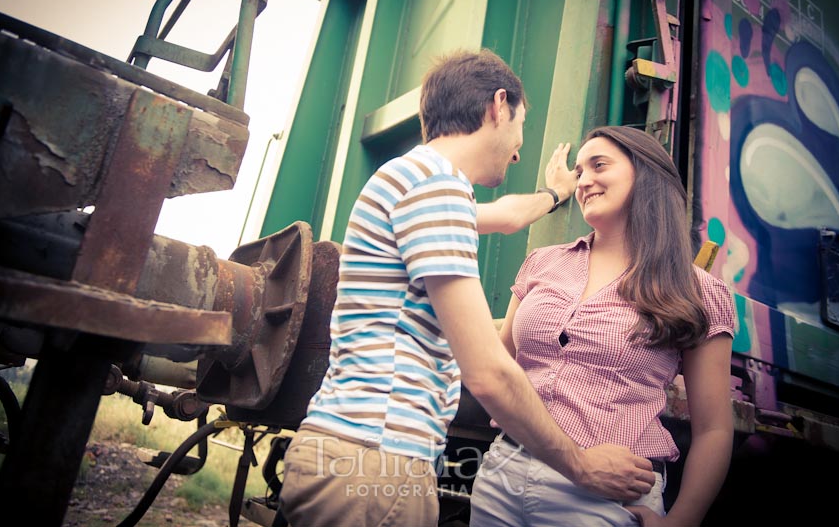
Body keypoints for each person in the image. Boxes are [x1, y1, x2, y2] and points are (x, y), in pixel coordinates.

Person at [278, 52, 656, 527]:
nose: (519, 149)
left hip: (353, 450)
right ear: (499, 105)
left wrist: (556, 193)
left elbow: (507, 216)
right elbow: (489, 373)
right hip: (375, 460)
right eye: (521, 125)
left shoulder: (413, 181)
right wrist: (580, 466)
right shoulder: (436, 189)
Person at [469, 125, 736, 527]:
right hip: (503, 475)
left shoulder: (698, 290)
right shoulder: (543, 263)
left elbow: (714, 428)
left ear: (645, 174)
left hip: (605, 499)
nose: (584, 180)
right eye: (579, 171)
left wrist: (683, 519)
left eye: (599, 165)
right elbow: (500, 369)